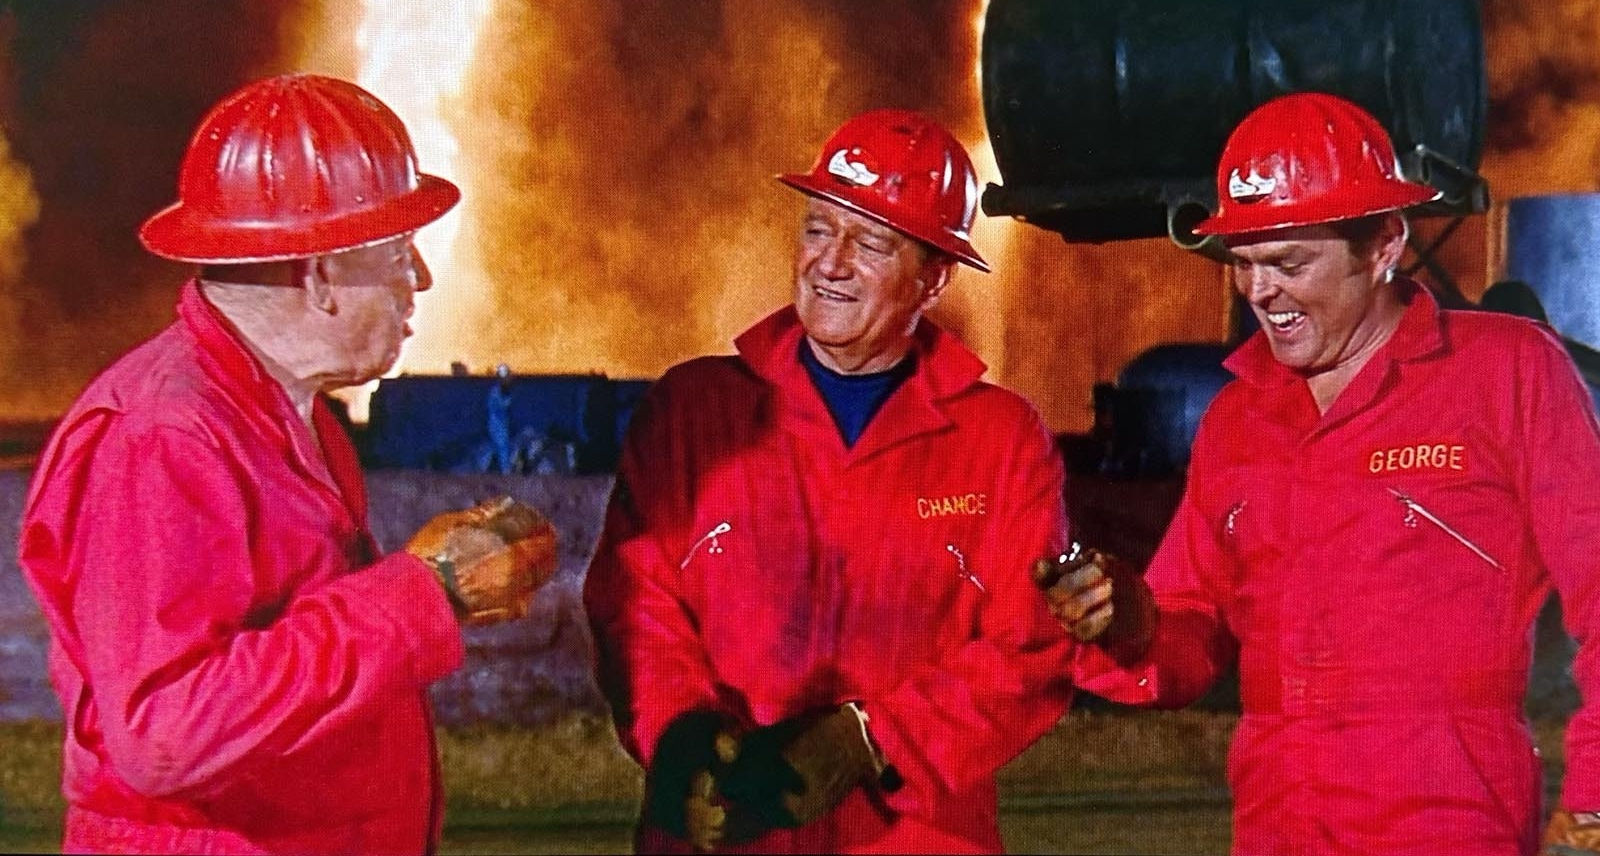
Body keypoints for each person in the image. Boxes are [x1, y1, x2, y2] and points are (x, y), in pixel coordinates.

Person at [1037, 91, 1600, 855]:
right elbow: (1188, 635)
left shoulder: (1508, 371)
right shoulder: (1239, 421)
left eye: (1289, 263)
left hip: (1449, 815)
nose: (1259, 292)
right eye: (1243, 263)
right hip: (1278, 817)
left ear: (1382, 246)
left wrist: (1594, 797)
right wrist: (1122, 619)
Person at [18, 74, 556, 854]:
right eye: (399, 252)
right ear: (320, 274)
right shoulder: (165, 438)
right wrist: (422, 591)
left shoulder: (285, 411)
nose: (421, 282)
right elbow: (166, 732)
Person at [584, 109, 1075, 853]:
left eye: (871, 243)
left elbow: (1032, 646)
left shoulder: (1000, 442)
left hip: (913, 836)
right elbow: (636, 602)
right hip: (724, 827)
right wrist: (682, 737)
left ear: (933, 279)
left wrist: (871, 739)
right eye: (818, 229)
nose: (830, 263)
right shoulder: (695, 414)